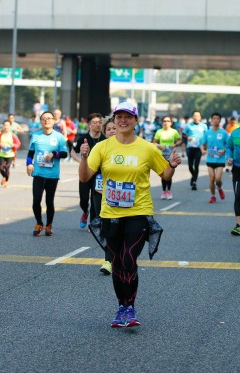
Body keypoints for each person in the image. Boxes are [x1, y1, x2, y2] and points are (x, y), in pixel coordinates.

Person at [79, 101, 182, 328]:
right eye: (119, 117)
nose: (123, 121)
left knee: (128, 258)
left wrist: (172, 165)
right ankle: (122, 307)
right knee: (117, 261)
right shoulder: (103, 147)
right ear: (114, 120)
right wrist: (84, 157)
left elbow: (164, 173)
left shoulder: (147, 148)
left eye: (128, 117)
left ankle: (130, 306)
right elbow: (85, 177)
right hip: (110, 213)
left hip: (138, 211)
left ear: (136, 121)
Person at [26, 111, 68, 237]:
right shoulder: (36, 135)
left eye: (49, 118)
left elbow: (65, 154)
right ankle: (39, 223)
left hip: (52, 175)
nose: (46, 120)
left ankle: (49, 225)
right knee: (36, 200)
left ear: (54, 121)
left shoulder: (59, 137)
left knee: (49, 201)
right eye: (44, 118)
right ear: (40, 121)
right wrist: (29, 164)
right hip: (38, 173)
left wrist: (54, 154)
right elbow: (30, 153)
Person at [72, 113, 106, 228]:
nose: (97, 125)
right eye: (95, 122)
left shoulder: (104, 139)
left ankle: (92, 223)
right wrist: (81, 161)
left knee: (95, 198)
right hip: (86, 173)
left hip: (99, 174)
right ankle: (85, 212)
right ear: (89, 125)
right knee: (84, 199)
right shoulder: (83, 139)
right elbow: (73, 152)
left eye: (99, 122)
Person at [93, 116, 116, 275]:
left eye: (114, 128)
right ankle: (109, 258)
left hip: (119, 194)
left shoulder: (128, 147)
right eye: (108, 129)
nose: (112, 131)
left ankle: (110, 259)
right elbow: (89, 171)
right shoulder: (100, 147)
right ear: (104, 132)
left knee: (117, 227)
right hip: (99, 191)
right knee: (104, 225)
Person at [201, 112, 229, 204]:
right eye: (214, 118)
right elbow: (202, 144)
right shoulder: (207, 133)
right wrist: (202, 150)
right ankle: (213, 196)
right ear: (211, 120)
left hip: (220, 159)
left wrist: (224, 150)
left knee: (218, 179)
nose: (216, 120)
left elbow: (229, 145)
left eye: (218, 119)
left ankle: (219, 188)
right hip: (210, 159)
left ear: (220, 120)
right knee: (212, 179)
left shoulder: (224, 133)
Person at [153, 115, 181, 200]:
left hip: (171, 155)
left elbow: (179, 140)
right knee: (163, 173)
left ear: (171, 123)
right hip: (162, 155)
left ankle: (169, 191)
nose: (166, 123)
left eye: (168, 121)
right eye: (164, 121)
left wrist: (175, 144)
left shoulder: (174, 131)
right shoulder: (159, 132)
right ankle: (163, 191)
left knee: (169, 173)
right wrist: (159, 146)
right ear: (162, 122)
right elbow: (154, 143)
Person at [183, 111, 208, 191]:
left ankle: (194, 182)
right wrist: (188, 138)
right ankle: (193, 176)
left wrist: (205, 148)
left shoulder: (204, 126)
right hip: (190, 147)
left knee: (196, 165)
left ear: (200, 117)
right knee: (190, 166)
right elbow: (183, 134)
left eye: (197, 116)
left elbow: (206, 136)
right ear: (192, 117)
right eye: (194, 116)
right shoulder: (188, 126)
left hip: (199, 148)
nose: (196, 117)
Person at [0, 120, 22, 188]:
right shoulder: (0, 135)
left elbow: (18, 144)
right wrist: (0, 144)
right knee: (1, 168)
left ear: (10, 126)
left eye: (7, 125)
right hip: (2, 154)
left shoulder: (13, 135)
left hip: (10, 154)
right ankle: (4, 177)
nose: (6, 127)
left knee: (7, 167)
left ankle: (6, 181)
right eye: (4, 125)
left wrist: (13, 145)